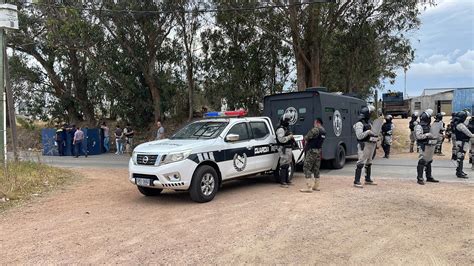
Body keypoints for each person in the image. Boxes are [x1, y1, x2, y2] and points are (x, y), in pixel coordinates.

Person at [353, 106, 378, 188]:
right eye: (370, 113)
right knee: (361, 162)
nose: (371, 114)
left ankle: (367, 179)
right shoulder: (359, 124)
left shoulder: (369, 123)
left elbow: (373, 132)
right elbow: (359, 136)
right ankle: (356, 181)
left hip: (371, 143)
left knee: (369, 162)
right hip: (364, 144)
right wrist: (368, 132)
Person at [300, 118, 326, 193]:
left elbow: (306, 137)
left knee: (306, 167)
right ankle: (316, 186)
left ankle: (309, 187)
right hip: (318, 151)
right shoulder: (324, 131)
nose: (314, 124)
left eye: (314, 123)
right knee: (316, 168)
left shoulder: (315, 130)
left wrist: (306, 139)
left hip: (311, 151)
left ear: (317, 123)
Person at [415, 109, 439, 185]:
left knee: (429, 161)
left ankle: (429, 176)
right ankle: (420, 178)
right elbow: (418, 136)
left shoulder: (428, 126)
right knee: (422, 161)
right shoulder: (419, 126)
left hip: (429, 144)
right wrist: (427, 135)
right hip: (422, 145)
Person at [276, 113, 295, 188]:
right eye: (287, 121)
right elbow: (281, 140)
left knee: (287, 164)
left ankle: (287, 180)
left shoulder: (285, 128)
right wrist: (289, 137)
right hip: (283, 148)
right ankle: (283, 182)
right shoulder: (280, 129)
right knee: (283, 165)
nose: (288, 122)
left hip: (288, 148)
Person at [453, 111, 473, 178]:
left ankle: (459, 171)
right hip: (462, 143)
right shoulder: (461, 125)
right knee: (460, 157)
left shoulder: (456, 124)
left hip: (460, 142)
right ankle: (459, 172)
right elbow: (469, 134)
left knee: (460, 157)